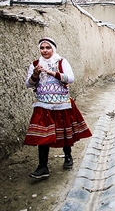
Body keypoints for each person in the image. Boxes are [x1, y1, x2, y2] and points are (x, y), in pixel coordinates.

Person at [24, 37, 92, 179]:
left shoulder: (61, 62)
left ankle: (68, 156)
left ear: (53, 49)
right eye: (42, 48)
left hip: (62, 104)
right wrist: (35, 74)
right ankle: (42, 167)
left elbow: (70, 78)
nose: (44, 51)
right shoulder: (35, 64)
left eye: (47, 48)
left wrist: (51, 73)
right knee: (43, 134)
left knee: (65, 132)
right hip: (43, 105)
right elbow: (29, 84)